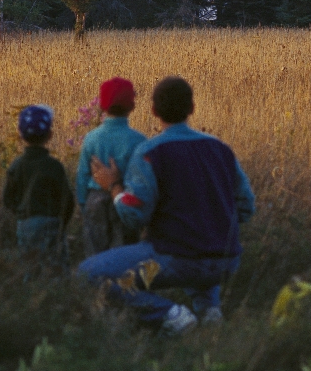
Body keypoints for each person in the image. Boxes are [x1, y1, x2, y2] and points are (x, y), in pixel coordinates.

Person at [78, 76, 255, 336]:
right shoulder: (221, 149)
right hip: (226, 261)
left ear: (153, 111)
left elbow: (133, 214)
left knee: (87, 274)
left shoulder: (150, 153)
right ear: (192, 108)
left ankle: (170, 314)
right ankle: (209, 310)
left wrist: (113, 186)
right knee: (197, 248)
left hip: (174, 260)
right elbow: (246, 206)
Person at [76, 77, 146, 256]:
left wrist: (84, 204)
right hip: (123, 198)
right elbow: (141, 178)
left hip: (95, 200)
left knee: (95, 251)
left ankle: (95, 282)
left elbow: (83, 175)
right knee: (123, 252)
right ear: (132, 106)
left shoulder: (91, 138)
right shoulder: (138, 141)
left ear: (102, 107)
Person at [3, 105, 74, 272]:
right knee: (56, 265)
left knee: (29, 264)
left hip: (25, 224)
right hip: (52, 223)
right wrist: (62, 223)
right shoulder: (54, 166)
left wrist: (20, 214)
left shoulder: (16, 165)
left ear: (20, 134)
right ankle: (58, 293)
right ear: (50, 135)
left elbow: (7, 198)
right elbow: (67, 200)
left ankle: (31, 291)